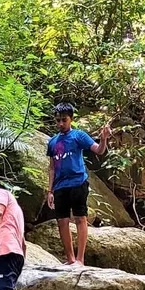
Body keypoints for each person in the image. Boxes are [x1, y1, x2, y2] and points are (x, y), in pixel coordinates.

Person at [45, 103, 110, 265]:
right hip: (60, 186)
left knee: (80, 218)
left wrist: (103, 139)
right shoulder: (52, 142)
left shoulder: (78, 136)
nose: (60, 124)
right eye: (58, 120)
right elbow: (52, 167)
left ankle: (80, 259)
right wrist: (50, 190)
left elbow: (99, 150)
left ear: (71, 119)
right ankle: (70, 259)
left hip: (78, 182)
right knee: (62, 221)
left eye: (64, 120)